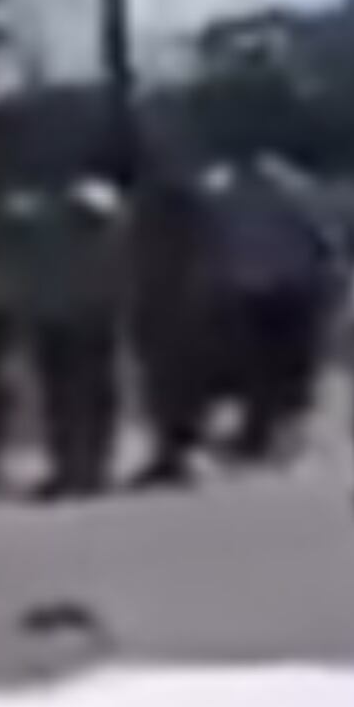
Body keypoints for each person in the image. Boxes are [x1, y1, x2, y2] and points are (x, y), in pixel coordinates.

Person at [203, 152, 339, 461]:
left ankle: (264, 432)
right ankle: (273, 432)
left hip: (253, 287)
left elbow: (210, 239)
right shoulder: (292, 185)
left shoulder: (220, 187)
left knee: (261, 366)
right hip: (286, 285)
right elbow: (322, 234)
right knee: (281, 366)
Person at [0, 178, 129, 498]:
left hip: (53, 316)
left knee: (62, 397)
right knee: (91, 394)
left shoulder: (35, 219)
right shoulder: (96, 220)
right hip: (89, 315)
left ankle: (72, 465)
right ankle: (88, 466)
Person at [127, 164, 216, 486]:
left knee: (171, 384)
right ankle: (173, 450)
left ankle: (174, 450)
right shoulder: (192, 218)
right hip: (166, 305)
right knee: (169, 384)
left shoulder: (163, 219)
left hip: (171, 306)